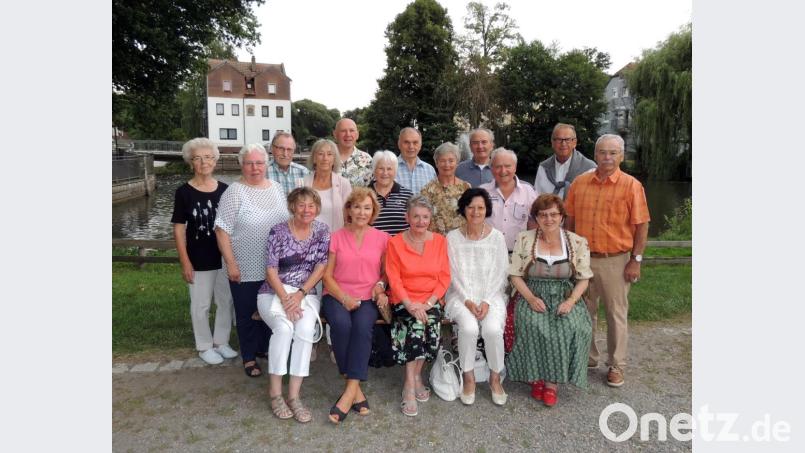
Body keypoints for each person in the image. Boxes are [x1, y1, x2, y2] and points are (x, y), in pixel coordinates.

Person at [564, 134, 650, 388]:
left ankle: (616, 365)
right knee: (583, 312)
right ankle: (588, 357)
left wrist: (636, 260)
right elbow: (569, 220)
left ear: (621, 156)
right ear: (595, 154)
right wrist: (570, 254)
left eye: (613, 153)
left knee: (615, 314)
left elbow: (641, 225)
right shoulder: (580, 183)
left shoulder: (631, 186)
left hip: (616, 260)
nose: (607, 158)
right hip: (583, 259)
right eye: (602, 152)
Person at [506, 194, 594, 407]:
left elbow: (584, 278)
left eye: (554, 214)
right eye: (543, 215)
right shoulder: (525, 239)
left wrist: (571, 301)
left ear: (562, 217)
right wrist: (530, 298)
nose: (549, 219)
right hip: (531, 293)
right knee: (531, 324)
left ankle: (552, 383)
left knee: (568, 327)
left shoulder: (577, 242)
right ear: (536, 217)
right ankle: (535, 376)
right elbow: (515, 275)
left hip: (564, 295)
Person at [256, 187, 329, 423]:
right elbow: (270, 270)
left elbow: (321, 267)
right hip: (273, 292)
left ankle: (294, 396)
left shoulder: (322, 231)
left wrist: (300, 294)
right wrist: (286, 299)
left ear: (317, 208)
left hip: (305, 293)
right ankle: (275, 393)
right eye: (301, 205)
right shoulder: (277, 231)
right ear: (292, 207)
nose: (306, 210)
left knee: (305, 330)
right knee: (284, 329)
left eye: (311, 205)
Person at [215, 143, 288, 378]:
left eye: (259, 163)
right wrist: (231, 263)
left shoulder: (277, 188)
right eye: (249, 163)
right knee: (246, 312)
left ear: (266, 164)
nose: (255, 168)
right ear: (241, 165)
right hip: (244, 266)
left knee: (270, 310)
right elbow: (221, 230)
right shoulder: (234, 192)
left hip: (274, 267)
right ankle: (248, 356)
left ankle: (264, 348)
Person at [321, 187, 391, 423]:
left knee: (362, 328)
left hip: (368, 297)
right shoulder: (336, 237)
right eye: (357, 207)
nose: (362, 212)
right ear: (349, 210)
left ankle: (349, 391)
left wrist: (380, 285)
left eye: (367, 208)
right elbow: (327, 275)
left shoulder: (383, 238)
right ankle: (356, 391)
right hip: (336, 294)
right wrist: (344, 298)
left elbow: (385, 273)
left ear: (373, 212)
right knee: (341, 326)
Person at [171, 138, 237, 365]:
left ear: (215, 161)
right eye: (197, 158)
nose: (203, 162)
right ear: (191, 162)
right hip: (198, 257)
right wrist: (185, 261)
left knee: (226, 301)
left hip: (224, 255)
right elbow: (179, 229)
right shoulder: (183, 192)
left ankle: (221, 341)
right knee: (201, 305)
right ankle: (204, 346)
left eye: (208, 157)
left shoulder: (226, 190)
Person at [385, 195, 451, 417]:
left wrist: (429, 303)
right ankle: (409, 385)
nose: (421, 221)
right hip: (404, 300)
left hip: (431, 299)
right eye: (416, 216)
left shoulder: (440, 241)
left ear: (430, 218)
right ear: (407, 217)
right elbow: (394, 279)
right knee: (416, 325)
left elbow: (444, 277)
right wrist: (410, 304)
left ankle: (415, 375)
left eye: (425, 217)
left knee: (429, 322)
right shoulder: (395, 243)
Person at [445, 188, 509, 406]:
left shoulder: (497, 237)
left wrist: (486, 301)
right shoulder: (452, 237)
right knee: (469, 328)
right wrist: (468, 300)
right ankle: (468, 376)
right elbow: (452, 273)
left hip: (491, 296)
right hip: (460, 296)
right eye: (471, 207)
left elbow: (501, 272)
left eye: (480, 207)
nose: (475, 212)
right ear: (463, 209)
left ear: (487, 210)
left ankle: (495, 377)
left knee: (492, 330)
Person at [479, 148, 538, 252]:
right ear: (491, 168)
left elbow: (535, 221)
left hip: (519, 254)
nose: (503, 171)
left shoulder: (528, 191)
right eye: (498, 166)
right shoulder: (482, 191)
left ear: (515, 167)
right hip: (489, 252)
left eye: (507, 166)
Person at [420, 142, 471, 235]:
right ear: (436, 163)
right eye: (442, 161)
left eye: (451, 161)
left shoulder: (466, 188)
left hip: (460, 240)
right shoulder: (427, 190)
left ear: (457, 163)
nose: (447, 165)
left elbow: (471, 216)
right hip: (435, 240)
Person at [534, 123, 596, 199]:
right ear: (552, 142)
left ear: (574, 142)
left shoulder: (590, 169)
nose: (563, 144)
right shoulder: (543, 168)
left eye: (567, 140)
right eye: (559, 139)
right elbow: (537, 199)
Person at [303, 139, 353, 233]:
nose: (325, 158)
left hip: (335, 238)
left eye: (329, 154)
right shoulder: (303, 183)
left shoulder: (343, 184)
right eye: (320, 154)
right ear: (314, 158)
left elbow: (350, 216)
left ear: (334, 159)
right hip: (308, 238)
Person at [368, 150, 413, 236]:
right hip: (371, 244)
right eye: (381, 168)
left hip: (400, 244)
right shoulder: (364, 196)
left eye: (389, 169)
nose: (385, 173)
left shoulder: (408, 196)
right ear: (374, 170)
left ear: (395, 171)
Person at [395, 127, 436, 195]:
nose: (411, 146)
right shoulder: (388, 169)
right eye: (406, 142)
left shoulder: (430, 170)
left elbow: (434, 198)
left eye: (415, 142)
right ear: (399, 144)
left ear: (420, 145)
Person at [266, 131, 309, 195]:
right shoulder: (263, 172)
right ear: (272, 148)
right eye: (281, 148)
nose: (285, 154)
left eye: (289, 149)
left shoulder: (303, 172)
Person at [334, 118, 372, 187]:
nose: (348, 134)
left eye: (351, 130)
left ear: (357, 134)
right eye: (343, 131)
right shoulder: (324, 158)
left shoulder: (367, 160)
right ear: (335, 134)